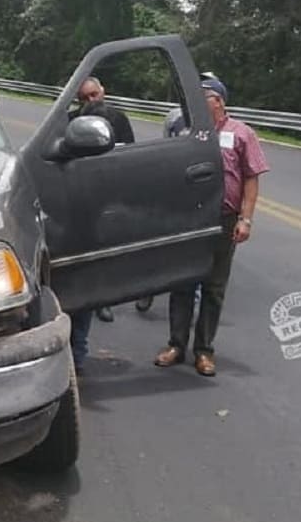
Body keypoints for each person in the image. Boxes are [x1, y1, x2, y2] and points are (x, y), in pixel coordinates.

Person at [153, 77, 269, 376]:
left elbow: (251, 178)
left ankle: (204, 351)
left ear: (218, 100)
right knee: (182, 283)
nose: (198, 100)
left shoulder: (241, 134)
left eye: (204, 95)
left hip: (224, 218)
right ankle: (176, 345)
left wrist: (246, 218)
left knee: (214, 287)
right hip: (190, 217)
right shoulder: (189, 132)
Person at [137, 72, 225, 312]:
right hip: (175, 193)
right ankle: (148, 289)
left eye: (207, 93)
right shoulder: (176, 117)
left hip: (202, 198)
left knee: (195, 250)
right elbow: (166, 148)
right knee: (159, 245)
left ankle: (190, 298)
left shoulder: (222, 127)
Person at [66, 76, 135, 372]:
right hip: (76, 207)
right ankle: (73, 353)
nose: (92, 101)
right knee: (77, 277)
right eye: (85, 98)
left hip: (109, 204)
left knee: (102, 266)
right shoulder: (69, 122)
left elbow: (130, 158)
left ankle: (102, 302)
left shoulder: (118, 119)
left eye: (95, 94)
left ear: (103, 90)